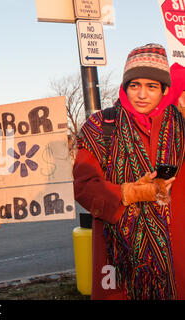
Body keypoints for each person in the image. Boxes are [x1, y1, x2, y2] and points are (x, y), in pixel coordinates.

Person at [73, 43, 185, 300]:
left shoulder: (180, 122)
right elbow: (82, 185)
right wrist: (127, 193)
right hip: (119, 256)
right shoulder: (101, 126)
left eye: (152, 86)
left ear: (164, 89)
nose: (142, 94)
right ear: (125, 87)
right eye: (134, 85)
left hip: (175, 256)